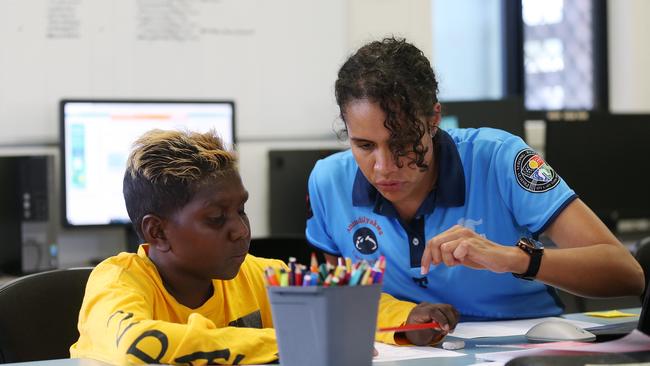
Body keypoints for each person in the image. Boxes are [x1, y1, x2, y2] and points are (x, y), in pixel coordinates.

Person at [306, 37, 645, 322]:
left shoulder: (502, 158)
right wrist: (403, 318)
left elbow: (626, 273)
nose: (382, 167)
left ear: (434, 118)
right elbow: (340, 303)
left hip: (526, 348)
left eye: (403, 143)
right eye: (364, 145)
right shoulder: (327, 182)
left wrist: (513, 258)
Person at [69, 129, 443, 365]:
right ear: (158, 233)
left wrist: (409, 320)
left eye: (241, 210)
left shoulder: (252, 273)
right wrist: (293, 344)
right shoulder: (116, 282)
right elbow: (135, 346)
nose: (240, 231)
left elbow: (338, 303)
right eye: (216, 218)